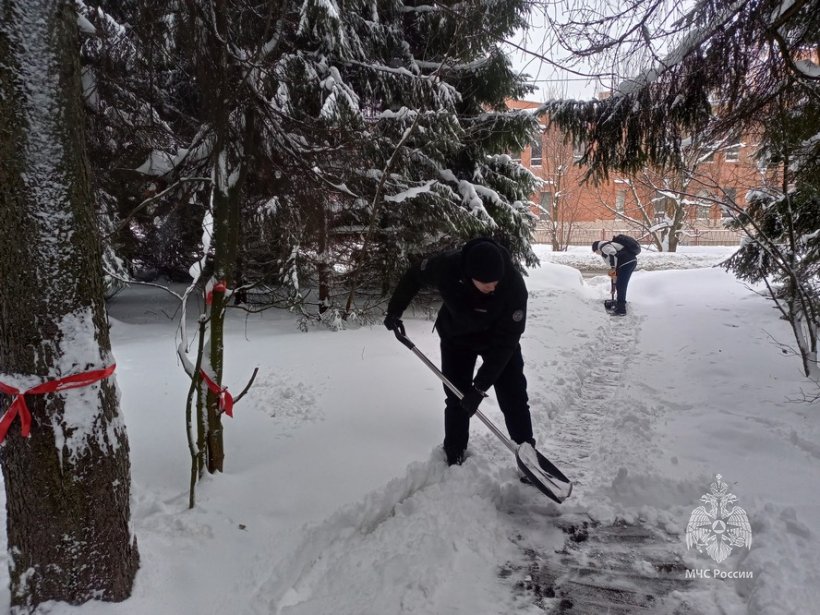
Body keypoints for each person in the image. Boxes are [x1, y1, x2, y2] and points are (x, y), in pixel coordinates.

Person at [383, 237, 534, 466]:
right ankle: (454, 451)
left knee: (514, 395)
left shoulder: (513, 285)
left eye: (496, 281)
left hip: (498, 342)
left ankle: (528, 456)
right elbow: (414, 275)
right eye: (486, 283)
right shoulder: (447, 266)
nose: (493, 287)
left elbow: (507, 343)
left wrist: (480, 387)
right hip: (457, 337)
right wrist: (395, 310)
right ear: (470, 275)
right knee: (457, 396)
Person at [592, 237, 639, 316]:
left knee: (621, 285)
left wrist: (613, 268)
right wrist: (613, 287)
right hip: (627, 263)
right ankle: (620, 303)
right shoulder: (605, 250)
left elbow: (612, 253)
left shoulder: (603, 246)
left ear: (597, 248)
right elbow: (614, 273)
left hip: (626, 262)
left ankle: (621, 309)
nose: (596, 253)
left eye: (595, 251)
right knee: (619, 284)